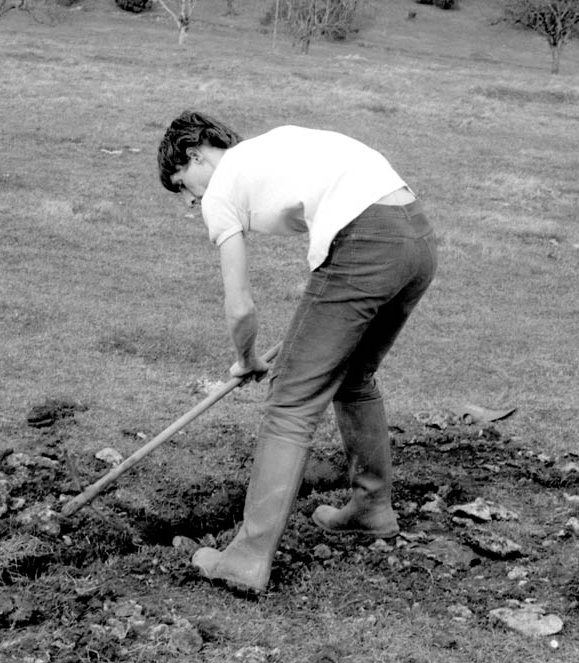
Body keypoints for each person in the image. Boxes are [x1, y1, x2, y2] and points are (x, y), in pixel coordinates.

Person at [157, 111, 437, 593]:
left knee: (289, 400)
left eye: (183, 186)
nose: (189, 202)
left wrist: (246, 359)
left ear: (195, 154)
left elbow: (240, 306)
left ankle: (245, 558)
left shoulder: (221, 187)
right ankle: (371, 507)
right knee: (353, 378)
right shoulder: (273, 146)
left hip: (367, 239)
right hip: (416, 238)